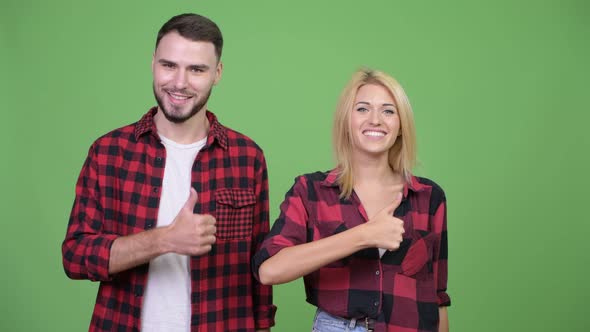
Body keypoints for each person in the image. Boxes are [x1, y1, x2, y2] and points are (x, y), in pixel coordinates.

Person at [62, 13, 275, 332]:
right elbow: (76, 256)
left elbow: (259, 269)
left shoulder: (247, 157)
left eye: (196, 69)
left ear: (217, 73)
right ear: (152, 63)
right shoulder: (109, 152)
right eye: (169, 65)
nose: (179, 82)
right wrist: (165, 239)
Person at [253, 68, 450, 332]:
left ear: (401, 126)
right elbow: (269, 270)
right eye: (362, 109)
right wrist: (364, 235)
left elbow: (437, 296)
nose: (376, 120)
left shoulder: (429, 197)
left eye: (388, 111)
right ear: (347, 120)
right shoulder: (311, 191)